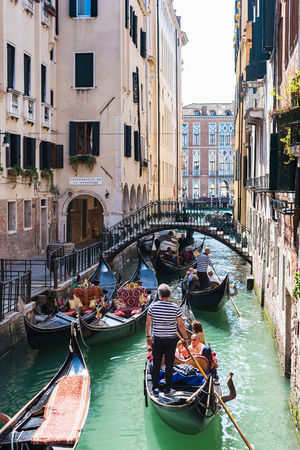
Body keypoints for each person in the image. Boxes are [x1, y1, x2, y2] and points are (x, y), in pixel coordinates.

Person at [146, 283, 189, 396]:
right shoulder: (175, 307)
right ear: (169, 295)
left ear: (159, 295)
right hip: (171, 340)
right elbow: (180, 326)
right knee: (169, 364)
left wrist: (148, 337)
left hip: (158, 339)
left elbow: (148, 323)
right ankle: (167, 388)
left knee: (157, 363)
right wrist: (185, 338)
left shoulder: (152, 306)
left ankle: (155, 388)